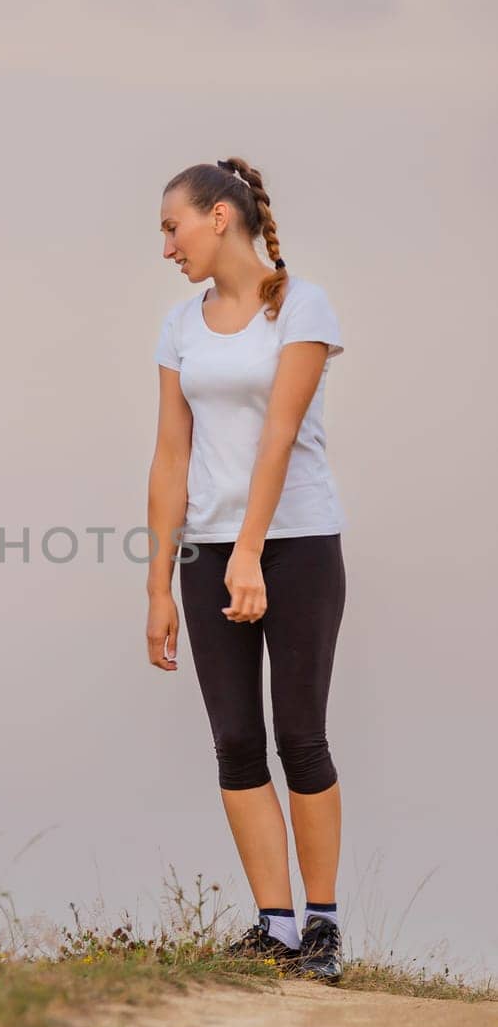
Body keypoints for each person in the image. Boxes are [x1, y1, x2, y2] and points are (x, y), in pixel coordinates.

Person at [148, 156, 346, 984]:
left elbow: (278, 438)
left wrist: (254, 553)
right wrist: (158, 581)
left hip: (295, 543)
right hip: (205, 549)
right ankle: (276, 927)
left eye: (172, 227)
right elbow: (169, 455)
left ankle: (325, 930)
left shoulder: (301, 306)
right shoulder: (179, 324)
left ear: (219, 218)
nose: (167, 247)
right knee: (235, 741)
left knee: (299, 735)